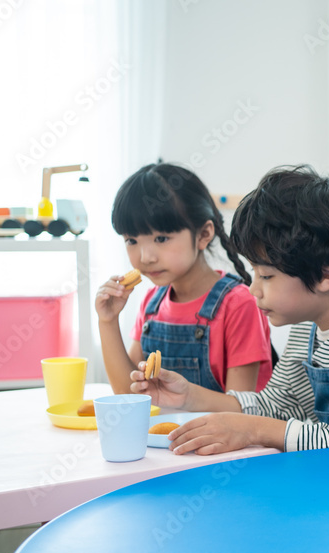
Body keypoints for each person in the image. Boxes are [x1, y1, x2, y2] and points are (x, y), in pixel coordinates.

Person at [131, 165, 329, 454]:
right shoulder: (307, 326)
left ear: (327, 275)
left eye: (267, 276)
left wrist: (252, 430)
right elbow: (276, 405)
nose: (253, 289)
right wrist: (188, 397)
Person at [96, 163, 272, 394]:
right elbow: (129, 395)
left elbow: (240, 413)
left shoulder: (240, 305)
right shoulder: (152, 303)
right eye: (132, 240)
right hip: (163, 431)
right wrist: (107, 321)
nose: (145, 257)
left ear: (203, 234)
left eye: (161, 239)